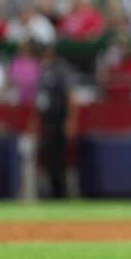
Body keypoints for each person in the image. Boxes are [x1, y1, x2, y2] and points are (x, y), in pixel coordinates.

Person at [32, 43, 78, 198]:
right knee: (49, 154)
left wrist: (70, 120)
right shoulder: (43, 70)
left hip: (59, 117)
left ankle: (61, 192)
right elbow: (39, 99)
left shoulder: (61, 69)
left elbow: (70, 95)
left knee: (59, 156)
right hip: (47, 118)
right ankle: (53, 190)